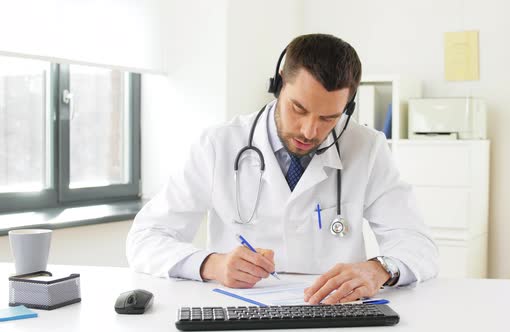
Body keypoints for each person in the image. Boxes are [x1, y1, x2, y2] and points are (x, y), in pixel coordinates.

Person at [127, 33, 438, 305]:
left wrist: (380, 269)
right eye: (298, 108)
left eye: (329, 118)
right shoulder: (218, 144)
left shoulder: (367, 147)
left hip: (333, 312)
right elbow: (146, 238)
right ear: (278, 84)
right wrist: (212, 264)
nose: (309, 130)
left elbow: (418, 243)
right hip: (239, 310)